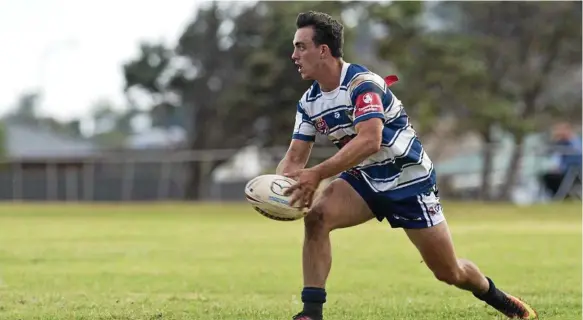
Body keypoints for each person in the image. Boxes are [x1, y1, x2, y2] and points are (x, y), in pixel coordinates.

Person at [275, 11, 538, 320]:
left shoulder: (362, 84)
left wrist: (317, 174)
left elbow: (369, 140)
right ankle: (311, 313)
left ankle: (499, 299)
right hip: (366, 179)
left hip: (409, 181)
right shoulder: (309, 102)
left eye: (301, 46)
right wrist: (280, 190)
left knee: (449, 271)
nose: (294, 55)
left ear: (323, 50)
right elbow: (294, 157)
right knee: (317, 219)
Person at [540, 121, 582, 199]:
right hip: (562, 171)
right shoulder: (560, 143)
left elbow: (577, 153)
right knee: (547, 177)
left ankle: (563, 197)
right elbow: (553, 155)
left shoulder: (575, 141)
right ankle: (558, 196)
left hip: (574, 171)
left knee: (557, 179)